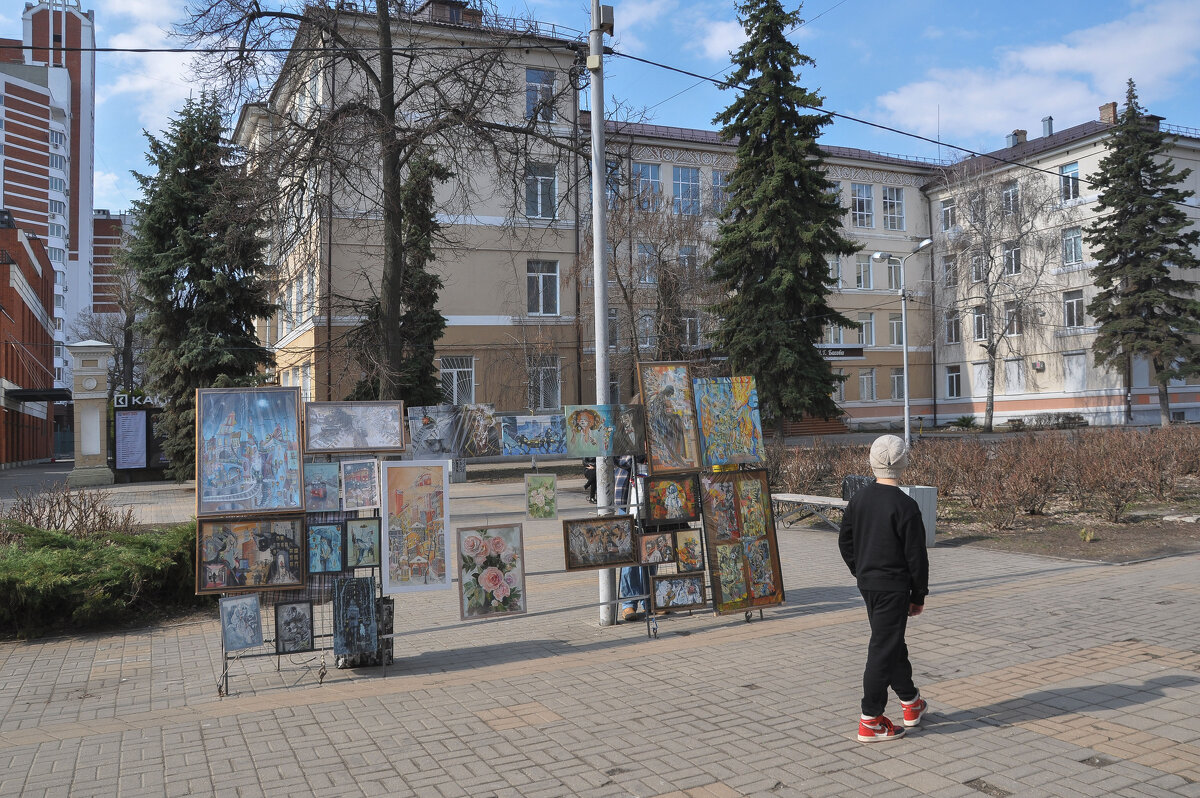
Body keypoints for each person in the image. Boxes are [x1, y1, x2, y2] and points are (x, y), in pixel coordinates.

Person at [838, 434, 929, 743]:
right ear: (904, 464)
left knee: (890, 643)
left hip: (869, 585)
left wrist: (859, 570)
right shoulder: (906, 506)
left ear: (872, 462)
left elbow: (845, 541)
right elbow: (917, 557)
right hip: (894, 588)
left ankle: (911, 702)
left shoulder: (859, 499)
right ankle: (871, 720)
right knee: (883, 649)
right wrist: (918, 595)